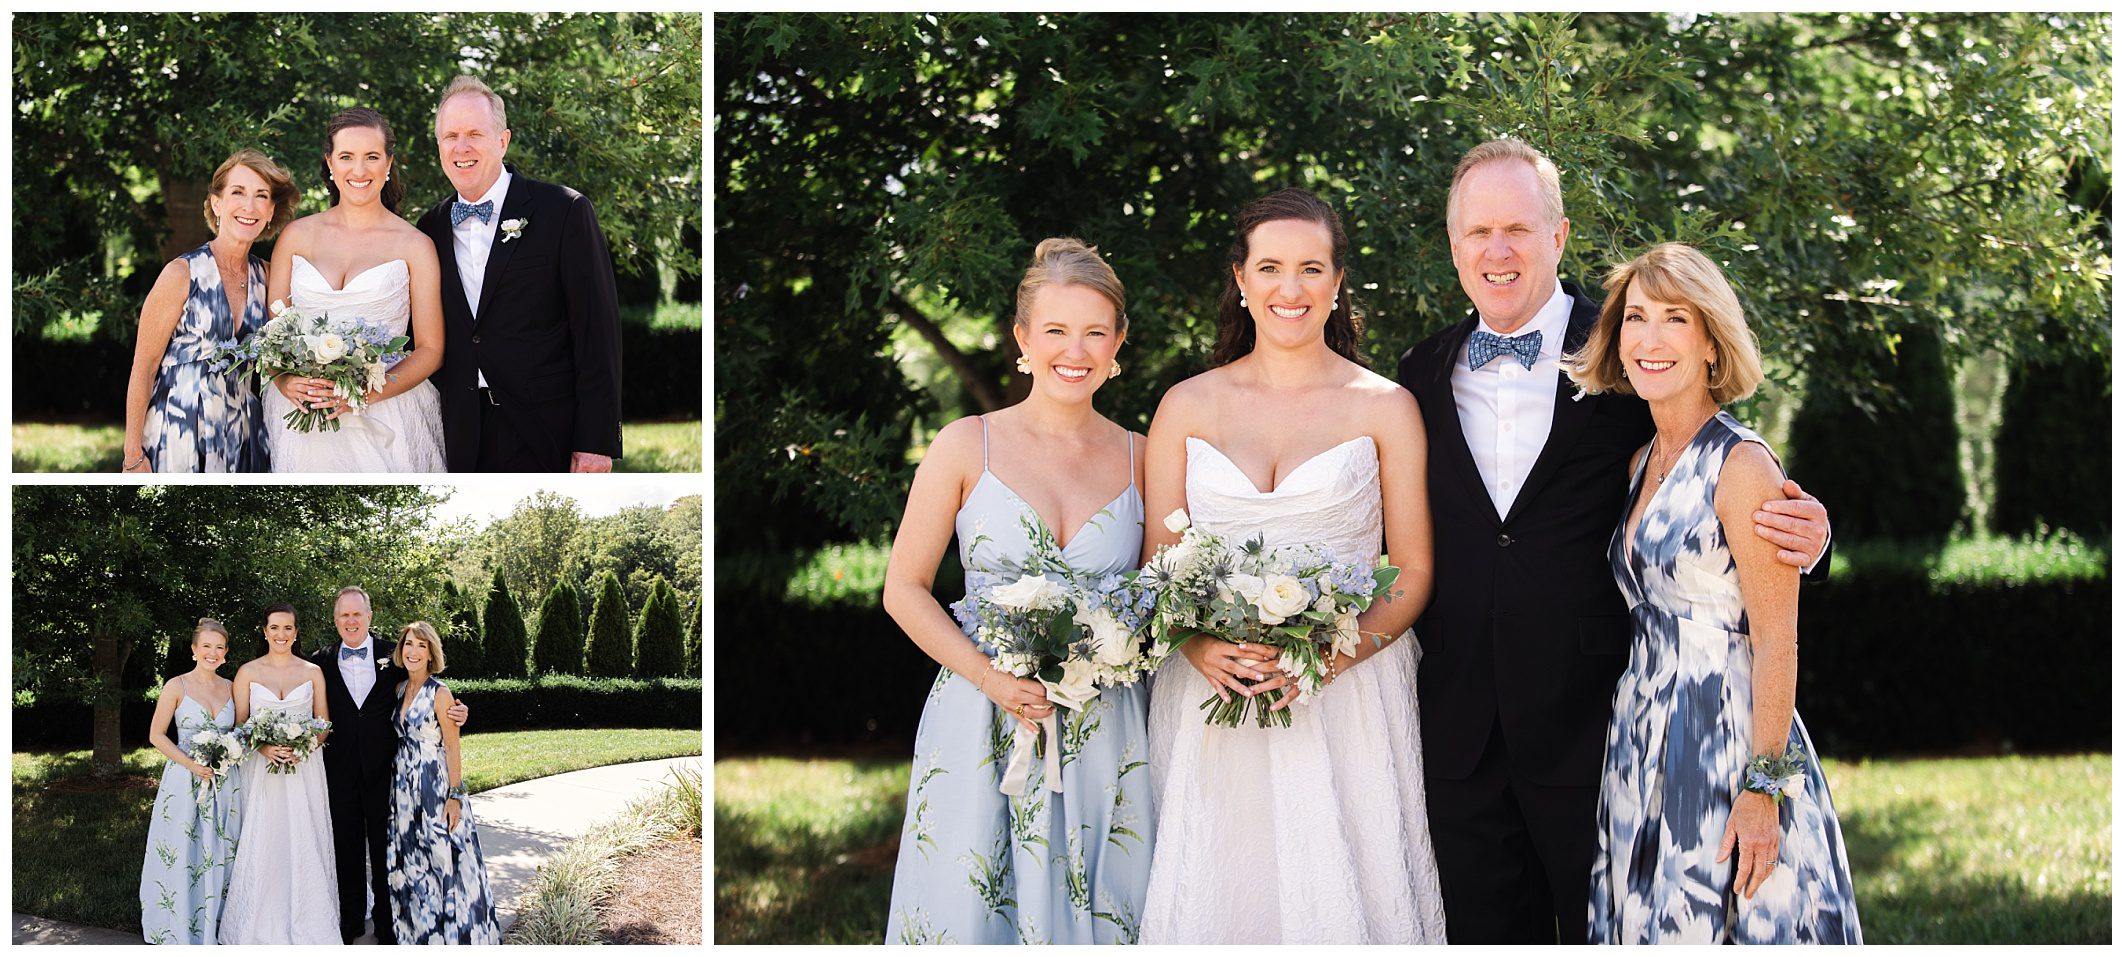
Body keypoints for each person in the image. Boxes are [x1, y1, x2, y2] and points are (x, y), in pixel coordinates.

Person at [1395, 138, 1832, 943]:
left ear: (1558, 238)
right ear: (1453, 247)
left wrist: (1814, 530)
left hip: (1600, 730)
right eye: (1478, 232)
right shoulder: (1419, 373)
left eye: (1519, 230)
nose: (1498, 251)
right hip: (1463, 733)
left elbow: (1723, 470)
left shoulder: (1635, 348)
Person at [1138, 188, 1447, 943]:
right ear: (1240, 281)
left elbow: (1410, 571)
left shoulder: (1386, 407)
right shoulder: (1184, 405)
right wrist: (1198, 645)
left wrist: (1326, 659)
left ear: (1338, 283)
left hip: (1347, 698)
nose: (1290, 288)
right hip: (1214, 693)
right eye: (1270, 267)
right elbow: (1156, 563)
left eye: (1311, 268)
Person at [1565, 243, 1861, 943]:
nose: (1651, 338)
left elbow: (1778, 639)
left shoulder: (1742, 464)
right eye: (1636, 317)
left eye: (1675, 318)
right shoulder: (1641, 460)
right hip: (1641, 734)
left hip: (1723, 735)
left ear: (1709, 342)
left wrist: (1764, 788)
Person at [881, 238, 1152, 944]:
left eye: (1096, 331)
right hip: (982, 719)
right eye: (1057, 330)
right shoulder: (966, 445)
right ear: (1023, 339)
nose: (1076, 349)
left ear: (1120, 341)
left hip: (1108, 730)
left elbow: (1162, 600)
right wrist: (989, 677)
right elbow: (903, 588)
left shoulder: (1146, 457)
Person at [415, 75, 623, 472]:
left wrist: (596, 439)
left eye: (475, 133)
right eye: (450, 136)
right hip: (460, 433)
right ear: (439, 145)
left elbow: (597, 332)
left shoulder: (564, 211)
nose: (461, 147)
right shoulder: (429, 229)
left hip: (546, 428)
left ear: (502, 140)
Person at [263, 107, 448, 472]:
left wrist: (364, 393)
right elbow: (272, 333)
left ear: (388, 163)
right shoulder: (295, 236)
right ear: (330, 163)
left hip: (387, 411)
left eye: (372, 157)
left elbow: (431, 349)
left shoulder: (415, 245)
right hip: (301, 413)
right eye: (346, 157)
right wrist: (284, 381)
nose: (359, 171)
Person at [122, 150, 295, 473]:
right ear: (217, 203)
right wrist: (133, 455)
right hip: (179, 429)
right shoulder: (180, 274)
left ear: (271, 211)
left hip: (244, 431)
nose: (249, 206)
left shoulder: (270, 276)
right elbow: (144, 367)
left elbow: (284, 355)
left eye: (261, 196)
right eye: (238, 193)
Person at [312, 586, 469, 944]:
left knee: (387, 852)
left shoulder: (394, 654)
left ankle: (387, 926)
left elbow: (426, 690)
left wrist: (458, 711)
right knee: (346, 851)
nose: (351, 621)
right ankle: (350, 924)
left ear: (369, 616)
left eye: (357, 614)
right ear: (335, 620)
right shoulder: (319, 661)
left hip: (389, 774)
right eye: (344, 615)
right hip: (339, 773)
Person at [218, 604, 339, 943]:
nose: (281, 634)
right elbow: (240, 724)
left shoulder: (313, 671)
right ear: (265, 631)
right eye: (275, 627)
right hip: (262, 770)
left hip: (305, 769)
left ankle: (311, 917)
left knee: (304, 835)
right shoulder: (248, 672)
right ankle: (259, 920)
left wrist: (303, 747)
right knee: (266, 835)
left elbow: (324, 724)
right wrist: (264, 748)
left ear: (296, 632)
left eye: (288, 628)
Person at [386, 621, 502, 944]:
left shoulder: (440, 693)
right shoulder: (398, 689)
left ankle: (451, 935)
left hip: (434, 787)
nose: (413, 651)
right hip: (403, 788)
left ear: (431, 653)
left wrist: (455, 795)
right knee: (413, 859)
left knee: (442, 858)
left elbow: (452, 746)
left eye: (421, 646)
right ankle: (419, 933)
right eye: (409, 644)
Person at [140, 618, 245, 943]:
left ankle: (220, 925)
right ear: (194, 650)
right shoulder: (177, 686)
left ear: (225, 653)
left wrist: (230, 753)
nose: (212, 653)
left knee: (224, 849)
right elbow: (156, 736)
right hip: (185, 783)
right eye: (206, 647)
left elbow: (241, 733)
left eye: (219, 648)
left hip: (225, 783)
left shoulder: (231, 687)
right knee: (187, 850)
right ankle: (182, 924)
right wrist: (192, 765)